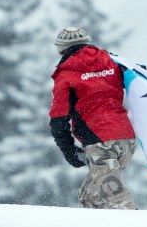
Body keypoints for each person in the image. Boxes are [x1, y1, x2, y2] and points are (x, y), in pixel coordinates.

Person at [49, 27, 137, 209]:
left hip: (99, 143)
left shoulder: (66, 75)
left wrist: (69, 152)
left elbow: (58, 119)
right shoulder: (111, 61)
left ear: (60, 49)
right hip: (126, 139)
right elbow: (137, 76)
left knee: (117, 201)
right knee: (90, 197)